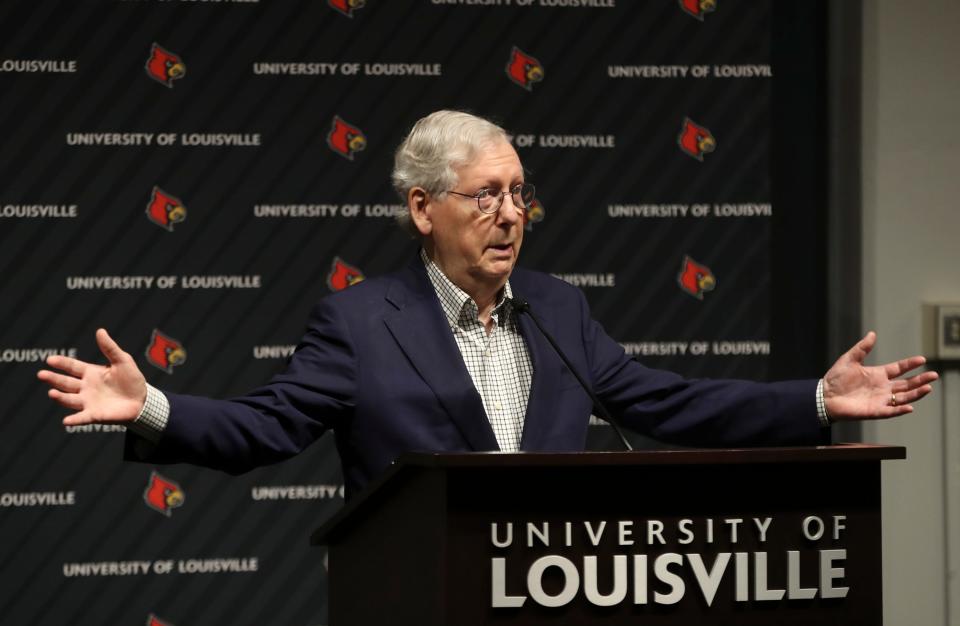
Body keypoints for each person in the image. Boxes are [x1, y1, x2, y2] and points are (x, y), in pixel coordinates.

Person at [38, 110, 938, 498]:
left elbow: (667, 402)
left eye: (519, 193)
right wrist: (150, 406)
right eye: (485, 195)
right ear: (423, 209)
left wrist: (817, 402)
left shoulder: (557, 308)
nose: (510, 214)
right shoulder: (359, 322)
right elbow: (263, 430)